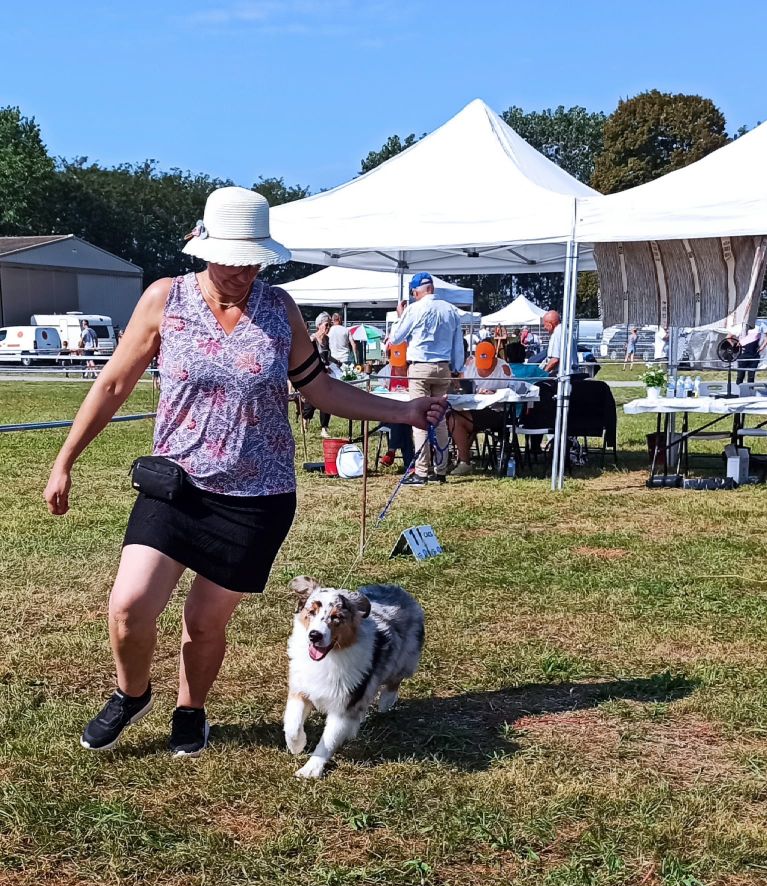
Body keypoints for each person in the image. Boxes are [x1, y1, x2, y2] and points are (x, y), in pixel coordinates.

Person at [43, 186, 446, 758]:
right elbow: (112, 383)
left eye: (251, 258)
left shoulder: (279, 309)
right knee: (129, 607)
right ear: (203, 247)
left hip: (259, 497)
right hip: (177, 485)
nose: (241, 270)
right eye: (231, 257)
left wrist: (401, 410)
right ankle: (132, 693)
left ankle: (191, 710)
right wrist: (65, 461)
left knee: (204, 622)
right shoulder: (165, 299)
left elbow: (320, 387)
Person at [389, 271, 464, 487]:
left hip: (420, 368)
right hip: (443, 368)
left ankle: (422, 472)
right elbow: (458, 344)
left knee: (419, 419)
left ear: (418, 291)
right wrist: (456, 369)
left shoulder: (415, 309)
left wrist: (400, 315)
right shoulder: (450, 310)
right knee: (439, 420)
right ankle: (440, 470)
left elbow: (396, 338)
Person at [450, 340, 512, 476]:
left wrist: (494, 393)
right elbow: (462, 385)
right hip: (472, 407)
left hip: (495, 411)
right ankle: (459, 457)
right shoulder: (470, 363)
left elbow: (512, 391)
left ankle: (464, 461)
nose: (484, 368)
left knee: (455, 420)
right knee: (452, 416)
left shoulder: (503, 368)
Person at [300, 312, 333, 438]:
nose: (328, 327)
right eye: (326, 325)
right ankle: (305, 420)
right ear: (319, 325)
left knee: (327, 401)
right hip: (314, 375)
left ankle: (324, 428)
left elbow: (327, 356)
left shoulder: (327, 340)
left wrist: (335, 363)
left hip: (325, 374)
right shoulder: (312, 339)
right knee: (311, 401)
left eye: (329, 325)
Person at [541, 310, 578, 376]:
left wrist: (542, 374)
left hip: (562, 376)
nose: (544, 327)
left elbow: (555, 360)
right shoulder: (567, 331)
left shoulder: (557, 334)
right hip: (572, 374)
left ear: (550, 324)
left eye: (545, 325)